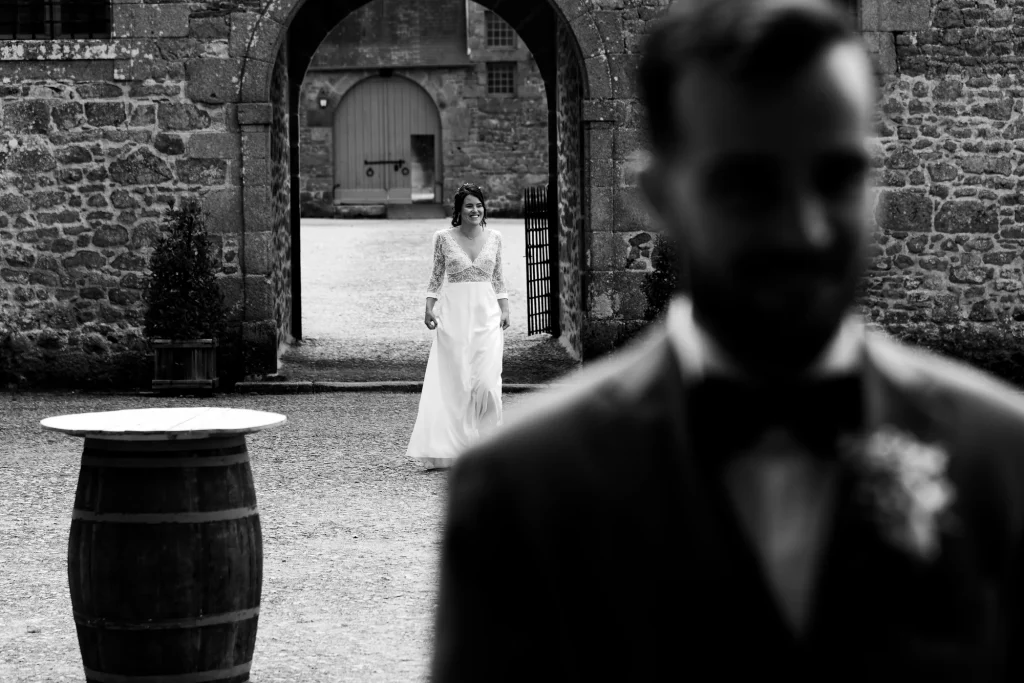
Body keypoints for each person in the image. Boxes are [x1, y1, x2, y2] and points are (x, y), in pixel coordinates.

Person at [429, 1, 1024, 680]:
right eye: (749, 184)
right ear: (660, 194)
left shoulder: (999, 457)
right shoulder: (523, 487)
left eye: (837, 177)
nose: (804, 228)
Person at [406, 182, 510, 470]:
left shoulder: (496, 237)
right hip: (453, 318)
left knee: (488, 384)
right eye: (469, 206)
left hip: (486, 316)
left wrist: (505, 307)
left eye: (479, 205)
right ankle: (454, 450)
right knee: (457, 384)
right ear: (459, 210)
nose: (475, 210)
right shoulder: (443, 237)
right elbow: (436, 275)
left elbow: (499, 277)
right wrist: (429, 306)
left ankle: (489, 445)